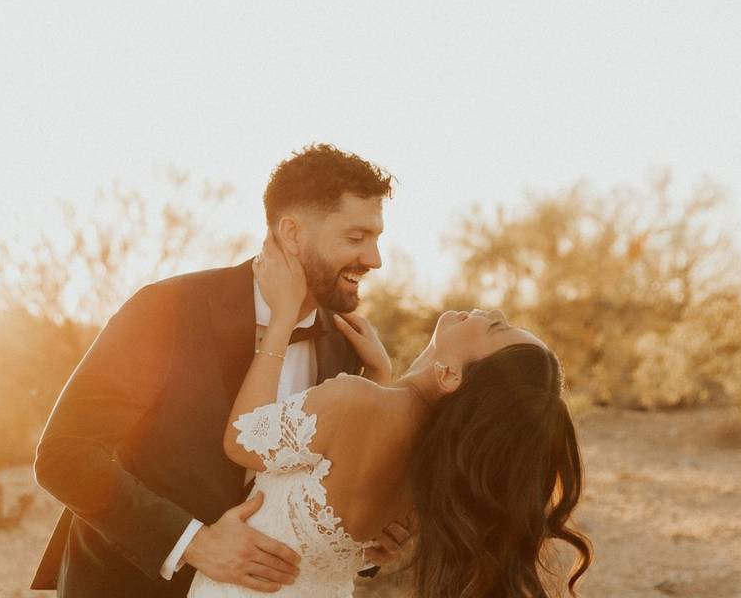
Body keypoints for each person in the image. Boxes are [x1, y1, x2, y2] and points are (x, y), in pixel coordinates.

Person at [30, 144, 410, 597]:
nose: (374, 259)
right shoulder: (166, 309)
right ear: (291, 234)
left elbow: (318, 496)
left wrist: (367, 539)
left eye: (376, 238)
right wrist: (192, 542)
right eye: (355, 238)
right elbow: (64, 455)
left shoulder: (347, 348)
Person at [188, 235, 592, 597]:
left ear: (450, 375)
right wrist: (381, 374)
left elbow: (241, 439)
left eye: (497, 330)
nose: (495, 310)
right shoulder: (435, 459)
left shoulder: (356, 401)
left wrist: (283, 317)